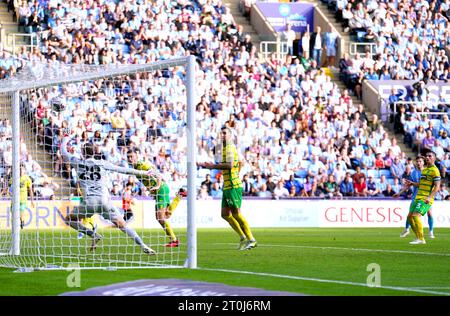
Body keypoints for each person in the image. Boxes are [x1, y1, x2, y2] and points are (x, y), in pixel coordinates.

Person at [61, 135, 156, 255]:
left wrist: (66, 138)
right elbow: (123, 170)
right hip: (105, 201)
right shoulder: (102, 163)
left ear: (83, 153)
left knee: (69, 219)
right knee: (123, 225)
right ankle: (142, 245)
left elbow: (63, 151)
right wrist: (144, 172)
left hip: (89, 202)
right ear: (94, 152)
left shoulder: (77, 162)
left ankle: (93, 234)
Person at [197, 127, 257, 250]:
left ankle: (252, 239)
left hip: (233, 186)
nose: (222, 135)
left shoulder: (229, 147)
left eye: (225, 133)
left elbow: (229, 165)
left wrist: (212, 166)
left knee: (236, 214)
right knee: (225, 214)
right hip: (228, 186)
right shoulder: (225, 149)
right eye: (221, 133)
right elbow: (240, 162)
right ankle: (242, 237)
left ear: (230, 135)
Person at [127, 150, 184, 247]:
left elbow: (156, 173)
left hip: (161, 189)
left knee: (160, 218)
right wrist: (151, 190)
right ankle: (179, 196)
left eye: (132, 156)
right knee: (165, 215)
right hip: (161, 189)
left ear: (136, 156)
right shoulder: (135, 168)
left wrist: (157, 186)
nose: (130, 159)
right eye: (128, 157)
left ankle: (174, 240)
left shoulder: (142, 165)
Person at [403, 151, 441, 244]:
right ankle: (418, 237)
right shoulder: (424, 170)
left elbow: (437, 186)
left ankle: (421, 239)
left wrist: (429, 197)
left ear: (434, 158)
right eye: (427, 156)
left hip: (425, 198)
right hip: (417, 197)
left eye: (430, 156)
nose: (427, 157)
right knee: (410, 217)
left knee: (416, 216)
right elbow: (421, 184)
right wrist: (412, 183)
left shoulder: (435, 170)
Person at [396, 155, 436, 239]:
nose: (418, 163)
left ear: (424, 162)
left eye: (420, 161)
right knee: (410, 214)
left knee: (429, 213)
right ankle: (407, 229)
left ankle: (431, 232)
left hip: (426, 196)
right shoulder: (413, 173)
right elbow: (408, 184)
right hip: (415, 196)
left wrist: (430, 196)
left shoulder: (427, 171)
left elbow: (430, 184)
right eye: (417, 161)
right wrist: (399, 193)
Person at [10, 165, 35, 229]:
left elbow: (30, 190)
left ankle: (22, 221)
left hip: (23, 200)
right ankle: (15, 226)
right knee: (13, 214)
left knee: (21, 213)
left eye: (22, 169)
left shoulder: (27, 178)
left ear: (24, 170)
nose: (21, 171)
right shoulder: (14, 178)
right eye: (19, 169)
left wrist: (32, 201)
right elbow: (9, 188)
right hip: (14, 200)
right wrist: (9, 191)